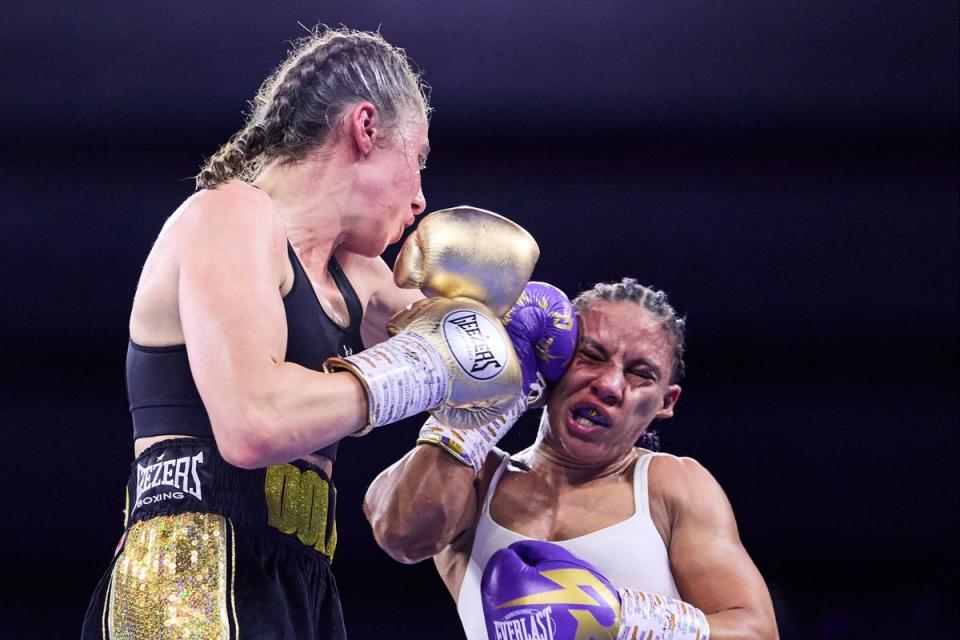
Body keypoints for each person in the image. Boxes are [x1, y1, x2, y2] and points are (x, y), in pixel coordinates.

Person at [82, 26, 546, 639]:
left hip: (302, 581)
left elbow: (491, 356)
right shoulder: (230, 215)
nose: (421, 198)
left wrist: (542, 325)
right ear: (366, 127)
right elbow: (255, 424)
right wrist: (424, 366)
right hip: (188, 573)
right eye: (419, 158)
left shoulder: (360, 277)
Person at [364, 278, 780, 639]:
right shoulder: (475, 480)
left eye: (640, 374)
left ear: (665, 403)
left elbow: (757, 631)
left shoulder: (670, 485)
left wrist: (628, 621)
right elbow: (401, 534)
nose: (611, 385)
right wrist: (493, 400)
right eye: (592, 356)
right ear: (554, 360)